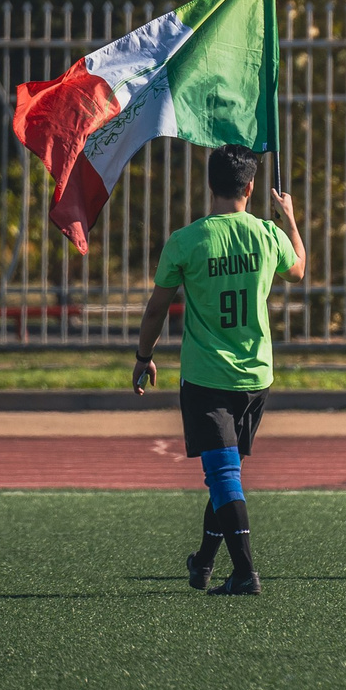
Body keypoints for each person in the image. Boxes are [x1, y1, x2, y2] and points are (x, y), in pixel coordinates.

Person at [133, 143, 306, 596]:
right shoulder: (268, 235)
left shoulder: (187, 240)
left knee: (223, 475)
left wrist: (142, 356)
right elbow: (300, 270)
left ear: (210, 185)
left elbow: (156, 310)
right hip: (256, 378)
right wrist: (288, 216)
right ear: (250, 187)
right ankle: (205, 561)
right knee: (226, 471)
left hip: (207, 378)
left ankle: (246, 573)